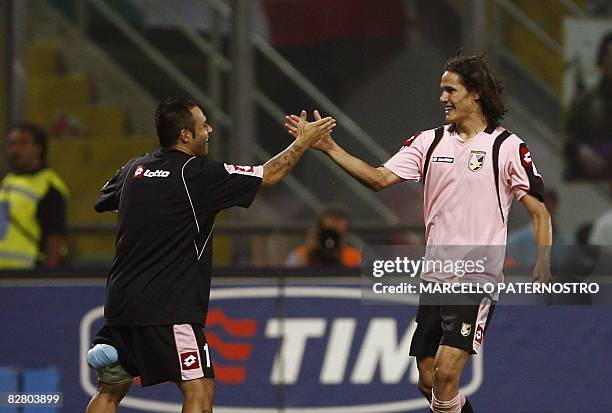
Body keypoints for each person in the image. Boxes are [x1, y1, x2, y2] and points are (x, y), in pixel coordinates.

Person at [286, 54, 552, 413]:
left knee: (445, 373)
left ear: (475, 93)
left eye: (450, 90)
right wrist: (329, 147)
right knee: (427, 378)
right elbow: (379, 179)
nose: (442, 98)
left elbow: (538, 210)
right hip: (434, 278)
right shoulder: (429, 142)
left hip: (475, 277)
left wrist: (544, 259)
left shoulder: (506, 147)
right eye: (441, 90)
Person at [85, 97, 335, 413]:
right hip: (168, 308)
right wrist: (303, 142)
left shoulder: (135, 167)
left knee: (110, 390)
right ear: (185, 136)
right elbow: (269, 175)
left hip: (121, 302)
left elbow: (105, 200)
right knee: (199, 389)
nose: (210, 130)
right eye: (203, 125)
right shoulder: (198, 173)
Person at [0, 123, 68, 269]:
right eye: (12, 144)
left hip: (26, 275)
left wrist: (45, 280)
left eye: (23, 143)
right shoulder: (8, 180)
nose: (15, 150)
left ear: (39, 148)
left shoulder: (49, 187)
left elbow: (54, 237)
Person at [564, 31, 612, 180]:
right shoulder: (585, 99)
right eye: (608, 54)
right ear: (601, 60)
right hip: (592, 170)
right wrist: (580, 151)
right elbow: (569, 134)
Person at [286, 205, 361, 268]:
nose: (330, 240)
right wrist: (308, 252)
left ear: (345, 234)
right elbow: (289, 278)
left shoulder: (355, 257)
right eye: (327, 233)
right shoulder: (301, 253)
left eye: (335, 235)